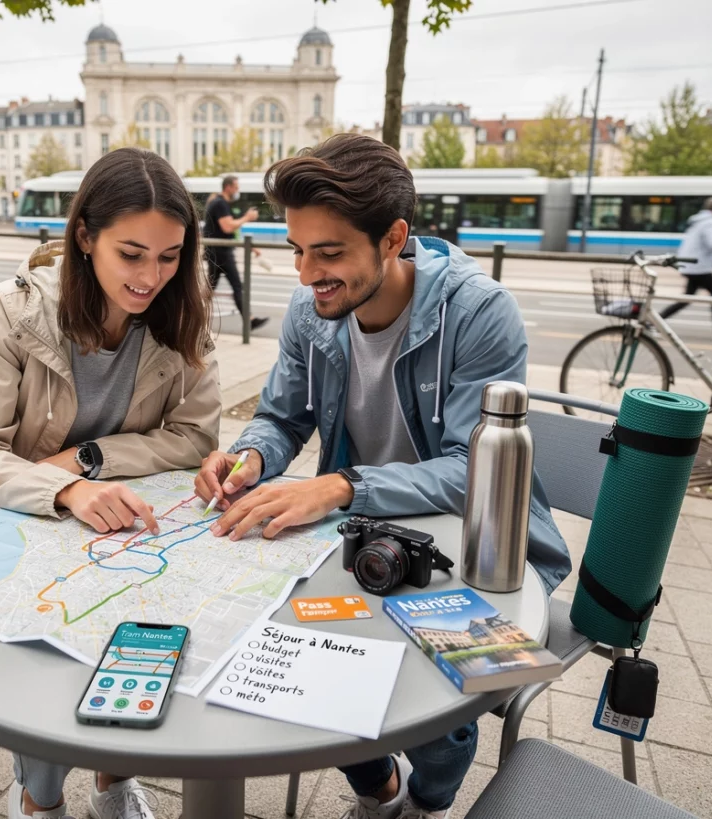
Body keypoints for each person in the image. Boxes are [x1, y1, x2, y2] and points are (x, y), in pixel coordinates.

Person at [194, 134, 571, 819]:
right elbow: (282, 416)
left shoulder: (480, 311)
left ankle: (427, 801)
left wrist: (339, 486)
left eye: (329, 252)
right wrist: (250, 455)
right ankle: (381, 792)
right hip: (363, 533)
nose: (307, 275)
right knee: (285, 660)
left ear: (393, 237)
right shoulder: (314, 312)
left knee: (430, 702)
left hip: (476, 543)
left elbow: (473, 467)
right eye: (298, 251)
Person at [0, 147, 221, 819]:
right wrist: (63, 491)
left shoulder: (183, 312)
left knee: (149, 618)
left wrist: (87, 459)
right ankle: (41, 793)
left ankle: (113, 778)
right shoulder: (12, 310)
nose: (152, 276)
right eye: (132, 253)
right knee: (55, 648)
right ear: (85, 236)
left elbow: (196, 439)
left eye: (170, 255)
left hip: (111, 525)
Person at [659, 196, 712, 336]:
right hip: (698, 266)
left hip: (693, 264)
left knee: (689, 297)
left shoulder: (704, 220)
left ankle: (656, 320)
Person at [203, 175, 270, 330]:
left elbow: (229, 232)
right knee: (237, 286)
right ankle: (249, 320)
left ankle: (192, 315)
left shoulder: (221, 203)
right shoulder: (220, 203)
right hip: (221, 253)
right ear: (228, 187)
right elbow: (227, 227)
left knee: (210, 287)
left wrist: (251, 248)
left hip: (218, 251)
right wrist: (246, 217)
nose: (238, 190)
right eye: (236, 187)